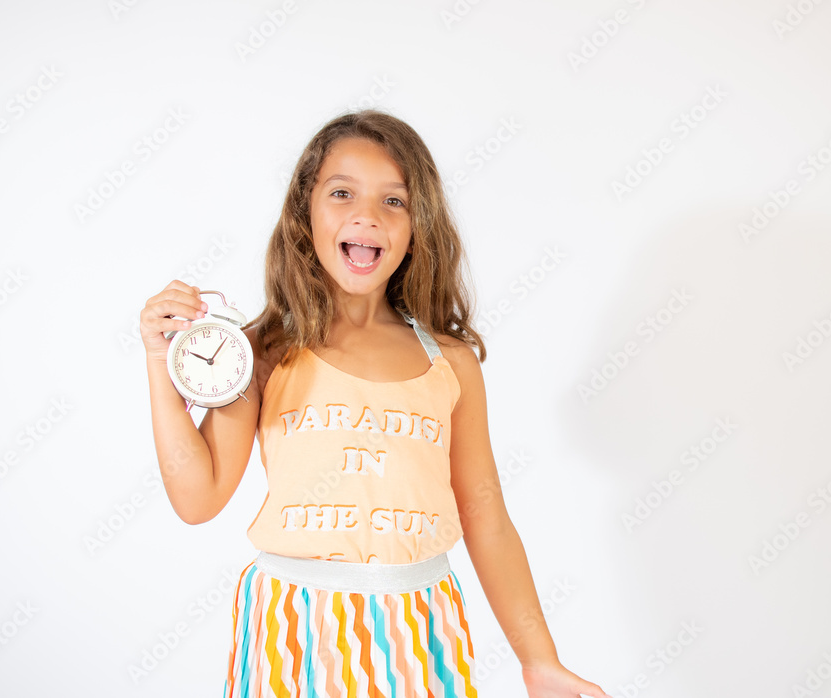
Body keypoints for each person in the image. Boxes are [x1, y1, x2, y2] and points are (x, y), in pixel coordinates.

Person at [140, 110, 612, 698]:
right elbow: (197, 497)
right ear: (304, 211)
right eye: (342, 193)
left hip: (421, 630)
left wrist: (539, 661)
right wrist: (164, 366)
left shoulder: (450, 362)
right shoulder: (263, 351)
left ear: (419, 226)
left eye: (395, 201)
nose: (366, 215)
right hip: (291, 631)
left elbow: (486, 520)